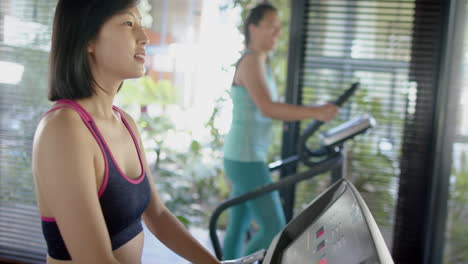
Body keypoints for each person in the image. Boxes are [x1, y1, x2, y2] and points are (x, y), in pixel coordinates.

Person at [31, 1, 220, 263]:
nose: (144, 37)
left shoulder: (125, 123)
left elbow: (158, 216)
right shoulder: (63, 130)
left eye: (141, 25)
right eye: (129, 24)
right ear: (88, 39)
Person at [222, 3, 339, 259]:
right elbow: (268, 108)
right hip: (246, 158)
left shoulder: (261, 61)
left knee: (239, 225)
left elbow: (265, 109)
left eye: (279, 28)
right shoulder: (252, 61)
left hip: (244, 154)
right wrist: (316, 111)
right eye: (271, 27)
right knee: (275, 228)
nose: (277, 33)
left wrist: (292, 116)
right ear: (253, 27)